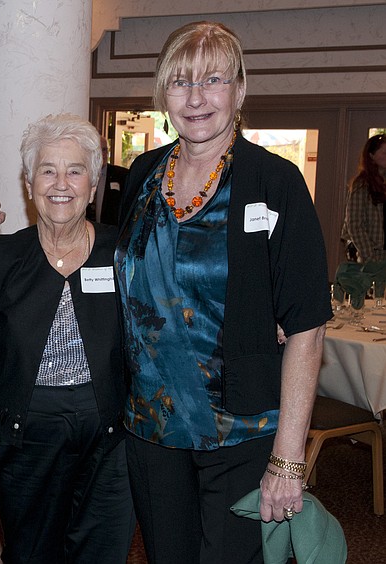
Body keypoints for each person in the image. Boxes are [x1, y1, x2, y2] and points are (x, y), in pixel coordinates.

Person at [115, 21, 332, 563]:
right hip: (152, 428)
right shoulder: (141, 175)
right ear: (164, 93)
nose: (196, 97)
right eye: (181, 82)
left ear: (239, 89)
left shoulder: (273, 182)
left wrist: (287, 459)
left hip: (242, 431)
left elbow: (307, 327)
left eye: (212, 79)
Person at [0, 113, 135, 564]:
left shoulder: (121, 251)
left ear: (94, 183)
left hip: (110, 433)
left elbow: (166, 316)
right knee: (32, 553)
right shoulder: (0, 255)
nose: (62, 183)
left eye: (75, 170)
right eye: (47, 170)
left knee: (102, 551)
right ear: (28, 182)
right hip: (27, 430)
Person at [342, 133, 386, 263]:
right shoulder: (361, 185)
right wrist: (370, 256)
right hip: (371, 255)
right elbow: (354, 224)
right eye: (384, 153)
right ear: (371, 156)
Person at [86, 135, 129, 226]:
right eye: (99, 150)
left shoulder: (122, 175)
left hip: (112, 233)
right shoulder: (82, 174)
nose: (103, 154)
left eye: (105, 150)